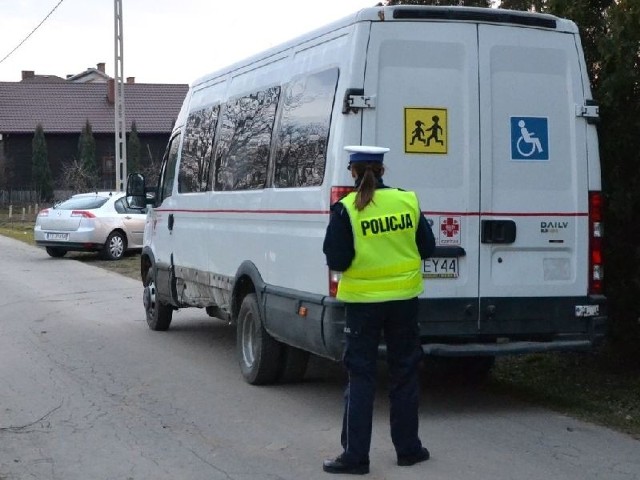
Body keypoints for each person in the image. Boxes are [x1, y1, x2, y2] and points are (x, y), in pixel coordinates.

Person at [322, 145, 435, 475]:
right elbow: (426, 248)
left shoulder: (346, 210)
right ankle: (409, 450)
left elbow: (337, 260)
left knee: (361, 377)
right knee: (404, 373)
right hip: (404, 302)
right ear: (383, 171)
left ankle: (356, 457)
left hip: (362, 306)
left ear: (353, 173)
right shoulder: (406, 201)